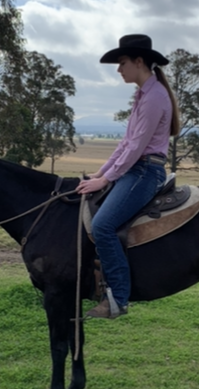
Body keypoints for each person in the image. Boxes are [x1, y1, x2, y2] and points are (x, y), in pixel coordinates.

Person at [75, 34, 182, 319]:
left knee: (103, 226)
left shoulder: (155, 97)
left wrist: (106, 180)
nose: (119, 69)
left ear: (139, 62)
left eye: (122, 63)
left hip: (145, 171)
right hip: (135, 167)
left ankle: (117, 298)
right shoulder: (143, 95)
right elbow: (126, 143)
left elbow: (136, 148)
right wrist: (100, 173)